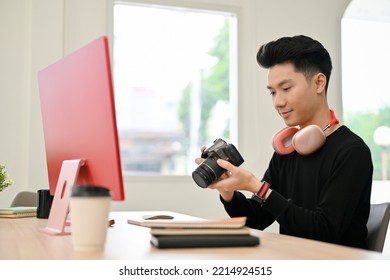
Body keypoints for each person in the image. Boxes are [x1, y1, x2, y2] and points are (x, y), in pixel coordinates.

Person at [195, 35, 373, 249]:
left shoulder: (352, 151)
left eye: (286, 89)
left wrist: (256, 186)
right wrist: (228, 190)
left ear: (318, 82)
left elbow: (325, 232)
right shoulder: (287, 150)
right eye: (272, 92)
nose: (278, 102)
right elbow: (256, 220)